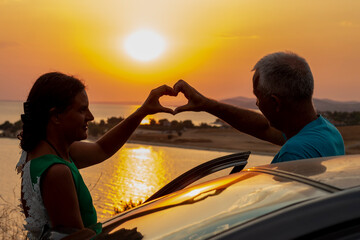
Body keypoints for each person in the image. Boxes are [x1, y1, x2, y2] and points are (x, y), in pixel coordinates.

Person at [16, 72, 176, 239]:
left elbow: (101, 149)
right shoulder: (57, 172)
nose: (90, 117)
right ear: (56, 116)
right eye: (82, 110)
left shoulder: (45, 153)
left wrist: (143, 111)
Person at [173, 51, 345, 163]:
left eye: (257, 97)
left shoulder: (294, 154)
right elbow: (262, 128)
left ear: (275, 103)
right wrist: (206, 104)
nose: (256, 103)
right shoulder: (327, 132)